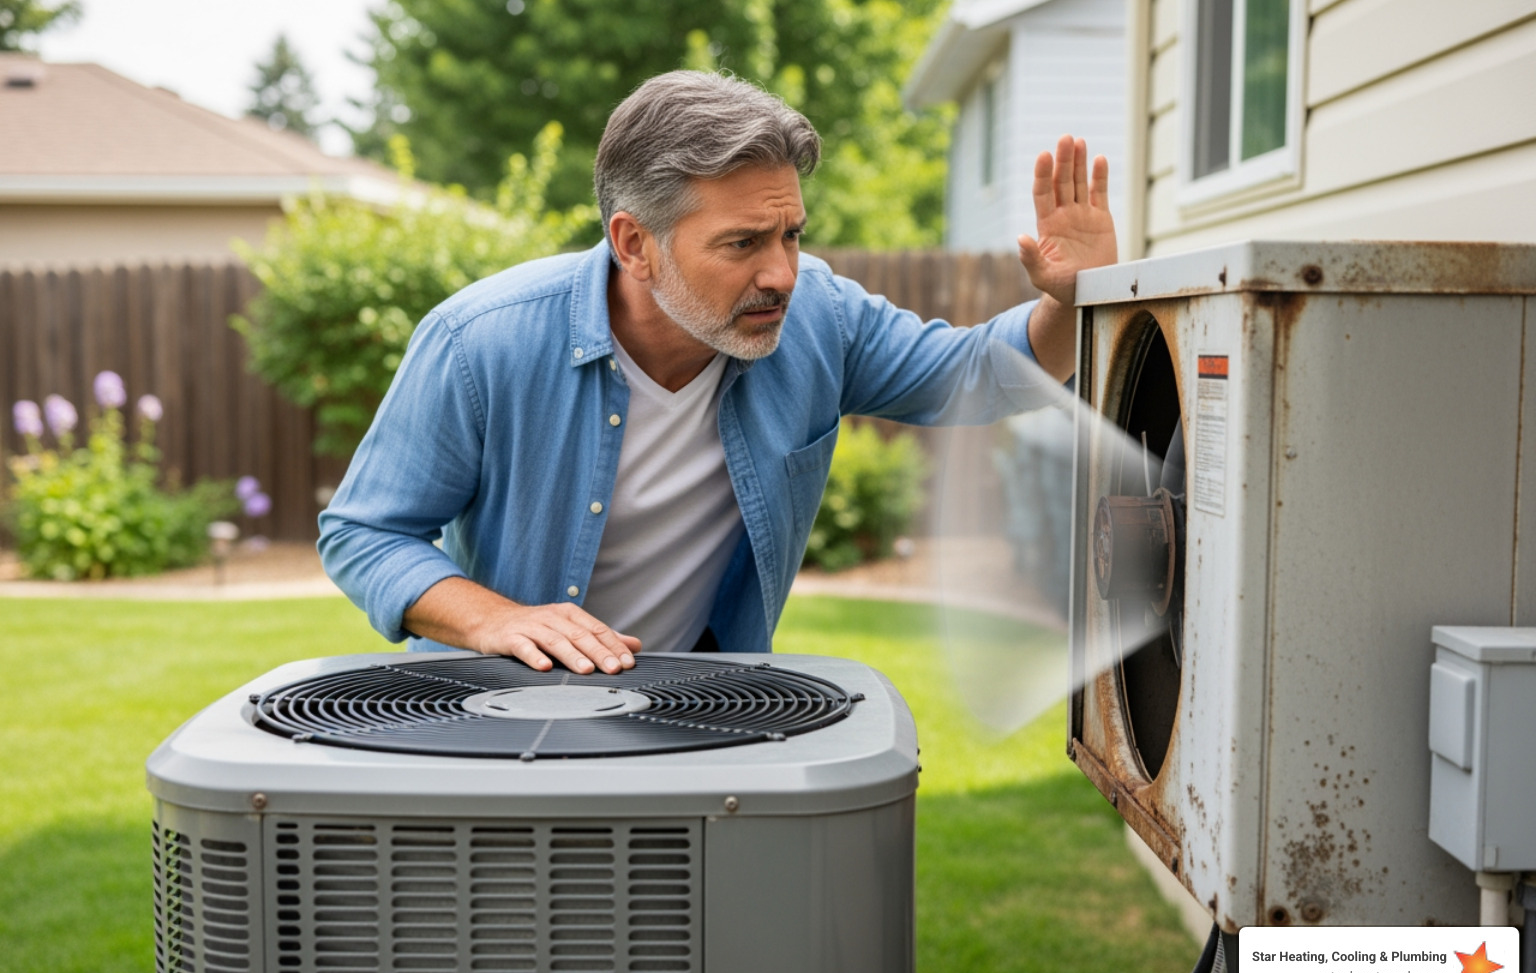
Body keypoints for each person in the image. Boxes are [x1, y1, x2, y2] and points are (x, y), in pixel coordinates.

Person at [318, 70, 1117, 676]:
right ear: (635, 243)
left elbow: (977, 375)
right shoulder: (479, 343)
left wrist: (1072, 304)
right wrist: (493, 618)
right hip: (498, 715)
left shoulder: (819, 318)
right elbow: (365, 532)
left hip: (701, 712)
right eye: (743, 244)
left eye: (792, 235)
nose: (783, 275)